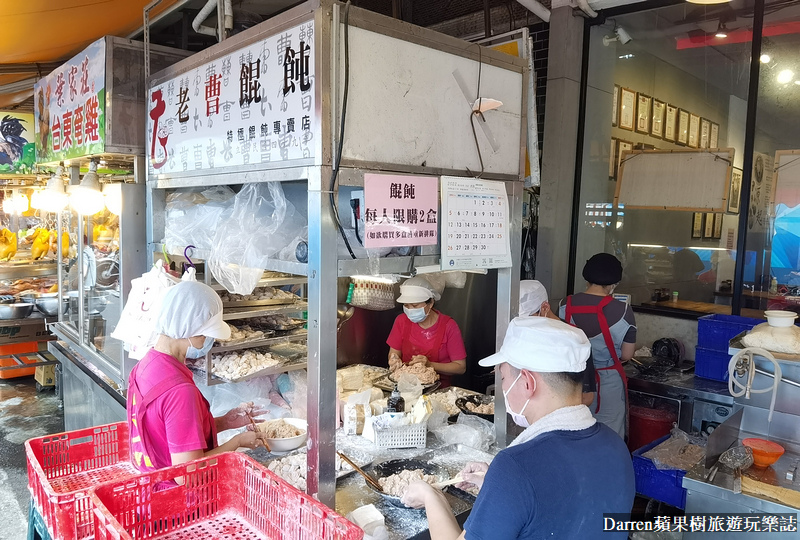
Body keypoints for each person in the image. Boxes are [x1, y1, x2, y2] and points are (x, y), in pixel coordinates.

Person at [402, 317, 635, 539]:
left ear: (527, 382)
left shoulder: (515, 467)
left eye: (503, 378)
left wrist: (431, 495)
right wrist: (496, 486)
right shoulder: (616, 445)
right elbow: (572, 508)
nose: (502, 388)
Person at [127, 281, 270, 474]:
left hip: (152, 483)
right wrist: (237, 442)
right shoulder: (179, 391)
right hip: (179, 497)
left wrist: (225, 422)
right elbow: (187, 474)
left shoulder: (145, 366)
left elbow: (171, 435)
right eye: (205, 334)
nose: (208, 340)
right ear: (189, 329)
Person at [559, 253, 636, 439]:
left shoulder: (564, 305)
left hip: (572, 384)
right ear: (613, 283)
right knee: (609, 439)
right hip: (607, 386)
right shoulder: (623, 310)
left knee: (574, 434)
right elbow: (627, 354)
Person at [519, 279, 596, 406]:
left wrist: (545, 410)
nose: (524, 326)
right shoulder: (523, 335)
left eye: (528, 319)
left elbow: (587, 397)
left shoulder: (574, 340)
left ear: (545, 308)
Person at [387, 275, 467, 388]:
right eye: (406, 306)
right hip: (405, 386)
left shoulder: (448, 326)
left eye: (415, 305)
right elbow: (394, 353)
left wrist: (430, 364)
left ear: (430, 303)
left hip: (438, 390)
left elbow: (460, 367)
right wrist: (393, 360)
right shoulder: (401, 321)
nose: (410, 310)